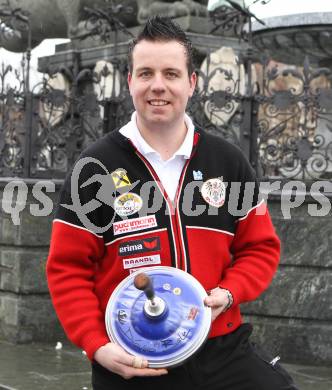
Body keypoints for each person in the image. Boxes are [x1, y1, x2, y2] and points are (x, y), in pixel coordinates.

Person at [47, 16, 298, 390]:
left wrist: (228, 294)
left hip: (220, 347)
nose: (158, 86)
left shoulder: (228, 161)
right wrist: (96, 345)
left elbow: (260, 248)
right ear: (130, 81)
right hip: (134, 358)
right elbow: (67, 269)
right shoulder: (93, 168)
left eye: (171, 73)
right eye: (146, 73)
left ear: (191, 82)